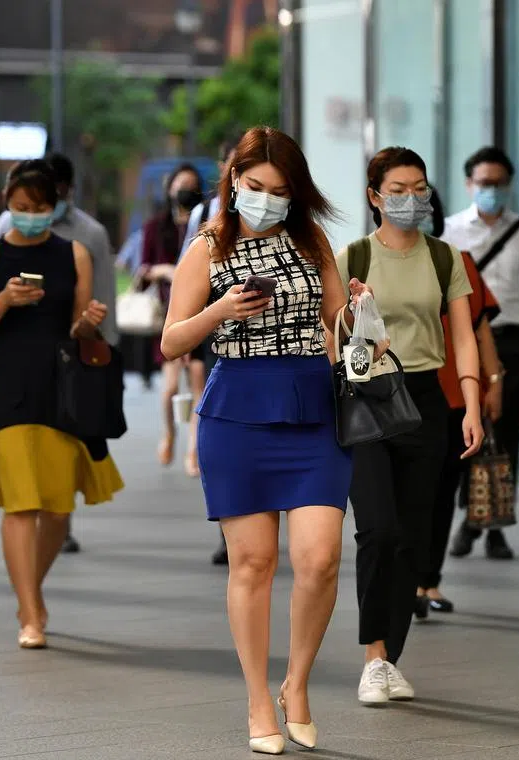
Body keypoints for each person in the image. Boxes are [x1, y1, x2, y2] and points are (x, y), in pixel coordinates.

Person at [163, 126, 350, 754]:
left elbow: (334, 322)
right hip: (237, 410)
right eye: (255, 187)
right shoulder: (207, 247)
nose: (267, 199)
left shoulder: (311, 237)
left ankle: (297, 683)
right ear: (233, 183)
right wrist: (220, 312)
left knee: (321, 559)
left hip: (313, 405)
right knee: (253, 563)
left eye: (280, 190)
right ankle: (255, 701)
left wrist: (355, 305)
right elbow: (170, 340)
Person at [334, 146, 483, 705]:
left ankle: (388, 658)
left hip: (424, 398)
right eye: (397, 189)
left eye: (419, 188)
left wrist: (471, 405)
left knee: (414, 539)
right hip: (367, 397)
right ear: (374, 197)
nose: (411, 198)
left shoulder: (447, 259)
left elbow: (464, 337)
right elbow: (332, 338)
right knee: (379, 529)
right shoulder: (352, 257)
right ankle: (373, 657)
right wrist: (355, 316)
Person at [0, 159, 122, 650]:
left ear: (56, 206)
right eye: (21, 207)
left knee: (56, 506)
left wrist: (89, 321)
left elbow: (77, 329)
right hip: (4, 385)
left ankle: (32, 590)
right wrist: (4, 300)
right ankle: (29, 612)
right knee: (21, 503)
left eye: (40, 208)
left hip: (60, 385)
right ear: (7, 203)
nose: (29, 215)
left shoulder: (75, 253)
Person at [0, 153, 120, 554]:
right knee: (21, 476)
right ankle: (30, 583)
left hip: (68, 360)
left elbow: (102, 293)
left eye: (50, 199)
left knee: (67, 451)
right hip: (10, 367)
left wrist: (102, 343)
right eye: (23, 206)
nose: (33, 213)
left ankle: (59, 522)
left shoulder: (89, 235)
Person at [442, 145, 519, 560]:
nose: (492, 190)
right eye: (484, 183)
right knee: (468, 431)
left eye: (499, 184)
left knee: (506, 437)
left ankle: (494, 528)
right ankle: (470, 516)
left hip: (511, 341)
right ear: (469, 184)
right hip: (465, 341)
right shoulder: (450, 231)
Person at [417, 188, 503, 617]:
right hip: (398, 396)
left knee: (442, 492)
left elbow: (481, 329)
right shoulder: (368, 262)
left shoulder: (457, 261)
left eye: (423, 201)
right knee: (407, 496)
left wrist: (494, 383)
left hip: (453, 396)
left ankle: (428, 581)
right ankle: (406, 577)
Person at [181, 136, 243, 566]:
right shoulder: (206, 221)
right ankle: (229, 531)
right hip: (215, 329)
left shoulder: (303, 235)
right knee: (208, 391)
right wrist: (211, 313)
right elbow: (191, 276)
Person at [140, 164, 207, 476]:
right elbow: (143, 269)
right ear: (169, 189)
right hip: (170, 315)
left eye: (192, 185)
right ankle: (169, 432)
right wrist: (168, 271)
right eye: (181, 185)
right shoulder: (156, 226)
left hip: (202, 315)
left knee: (198, 387)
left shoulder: (205, 224)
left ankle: (193, 450)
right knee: (169, 389)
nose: (185, 191)